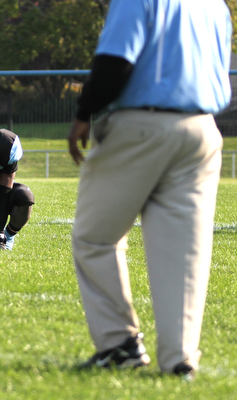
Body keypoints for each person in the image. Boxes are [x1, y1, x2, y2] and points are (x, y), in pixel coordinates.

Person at [66, 0, 231, 378]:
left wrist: (82, 114)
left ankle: (119, 344)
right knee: (184, 252)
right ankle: (180, 358)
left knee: (96, 239)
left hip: (141, 125)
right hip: (202, 131)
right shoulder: (215, 5)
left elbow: (115, 62)